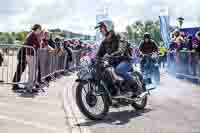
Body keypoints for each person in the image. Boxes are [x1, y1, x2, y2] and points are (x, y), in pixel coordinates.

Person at [95, 19, 136, 95]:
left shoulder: (119, 36)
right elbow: (98, 54)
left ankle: (134, 85)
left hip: (125, 60)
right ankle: (112, 90)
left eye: (102, 28)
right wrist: (94, 59)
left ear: (108, 27)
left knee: (118, 70)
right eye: (100, 29)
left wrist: (111, 55)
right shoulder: (104, 42)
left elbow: (122, 50)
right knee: (104, 71)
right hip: (113, 63)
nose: (100, 30)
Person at [24, 24, 42, 92]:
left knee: (32, 72)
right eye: (40, 29)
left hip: (30, 55)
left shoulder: (31, 34)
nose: (40, 31)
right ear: (37, 29)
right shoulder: (33, 35)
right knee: (32, 72)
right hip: (31, 55)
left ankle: (30, 86)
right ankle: (29, 87)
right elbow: (37, 45)